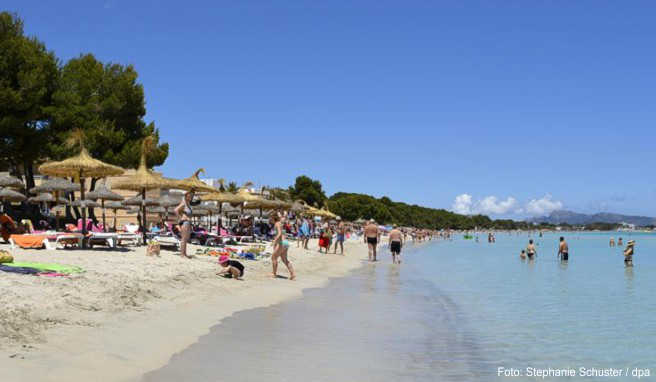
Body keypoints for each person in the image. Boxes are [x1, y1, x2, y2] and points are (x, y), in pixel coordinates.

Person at [270, 213, 296, 280]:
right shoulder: (280, 223)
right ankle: (292, 274)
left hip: (281, 243)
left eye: (270, 218)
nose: (270, 219)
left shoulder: (277, 224)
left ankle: (274, 274)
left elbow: (279, 233)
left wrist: (274, 241)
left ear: (273, 218)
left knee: (273, 257)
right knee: (284, 260)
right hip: (286, 242)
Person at [174, 191, 196, 259]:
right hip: (185, 222)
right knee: (183, 239)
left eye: (191, 196)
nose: (190, 197)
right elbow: (175, 210)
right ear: (186, 196)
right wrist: (180, 218)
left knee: (185, 239)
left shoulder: (188, 204)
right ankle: (182, 255)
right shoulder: (183, 203)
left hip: (187, 223)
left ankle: (185, 254)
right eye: (189, 196)